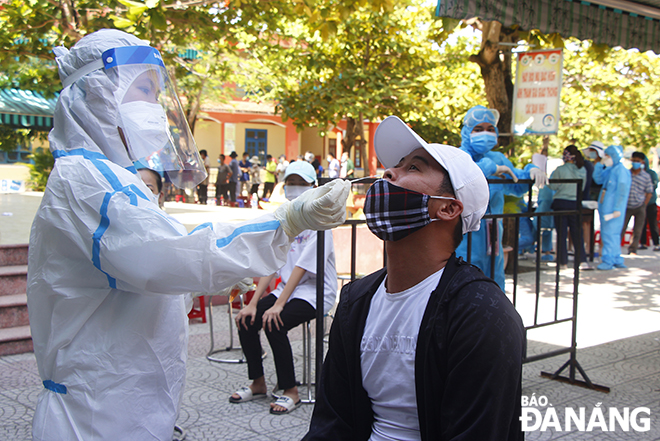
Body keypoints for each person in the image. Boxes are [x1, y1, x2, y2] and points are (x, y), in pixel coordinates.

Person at [26, 29, 351, 441]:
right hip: (94, 416)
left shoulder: (108, 178)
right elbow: (166, 257)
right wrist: (285, 222)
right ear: (98, 91)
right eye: (144, 90)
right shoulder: (86, 181)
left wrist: (228, 269)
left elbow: (146, 276)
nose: (154, 108)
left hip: (122, 404)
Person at [304, 116, 525, 441]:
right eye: (396, 165)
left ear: (448, 209)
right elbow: (331, 423)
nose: (389, 172)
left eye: (414, 168)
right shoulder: (354, 302)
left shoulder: (482, 314)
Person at [231, 160, 337, 415]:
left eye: (301, 184)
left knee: (273, 322)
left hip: (316, 292)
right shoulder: (285, 218)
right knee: (247, 320)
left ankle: (291, 391)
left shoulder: (319, 221)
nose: (295, 188)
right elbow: (272, 264)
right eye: (291, 183)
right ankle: (257, 383)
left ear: (312, 187)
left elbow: (301, 268)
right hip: (287, 290)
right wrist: (254, 303)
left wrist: (278, 306)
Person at [455, 105, 547, 290]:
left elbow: (515, 184)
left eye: (490, 129)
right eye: (478, 129)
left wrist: (531, 171)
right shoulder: (457, 156)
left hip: (493, 230)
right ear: (467, 131)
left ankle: (496, 315)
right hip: (464, 233)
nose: (485, 134)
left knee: (495, 278)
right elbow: (463, 177)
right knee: (465, 278)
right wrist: (491, 169)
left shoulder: (498, 157)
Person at [548, 145, 591, 269]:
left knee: (561, 234)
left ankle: (562, 262)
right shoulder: (582, 170)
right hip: (575, 203)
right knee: (577, 233)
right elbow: (582, 188)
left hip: (561, 203)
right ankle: (582, 260)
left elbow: (553, 186)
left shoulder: (560, 170)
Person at [592, 145, 631, 270]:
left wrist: (617, 209)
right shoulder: (611, 170)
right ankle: (615, 258)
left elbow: (622, 191)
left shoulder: (621, 171)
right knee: (609, 234)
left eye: (607, 156)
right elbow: (598, 179)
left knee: (610, 234)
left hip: (613, 209)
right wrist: (599, 165)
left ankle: (609, 259)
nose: (606, 159)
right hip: (606, 207)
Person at [622, 151, 654, 255]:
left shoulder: (646, 176)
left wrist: (644, 204)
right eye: (634, 160)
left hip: (640, 206)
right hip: (626, 205)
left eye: (638, 161)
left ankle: (633, 249)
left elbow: (649, 191)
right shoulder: (626, 174)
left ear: (642, 162)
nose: (635, 163)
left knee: (638, 230)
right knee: (622, 228)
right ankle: (616, 248)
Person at [638, 152, 660, 251]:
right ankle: (643, 243)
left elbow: (653, 187)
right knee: (640, 224)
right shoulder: (636, 173)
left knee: (652, 224)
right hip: (639, 203)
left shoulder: (651, 174)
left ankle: (656, 243)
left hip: (650, 203)